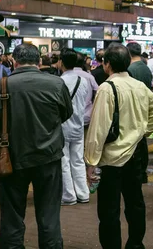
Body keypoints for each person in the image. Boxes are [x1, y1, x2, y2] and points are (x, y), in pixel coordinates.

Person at [0, 44, 73, 248]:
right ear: (39, 62)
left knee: (11, 216)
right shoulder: (56, 84)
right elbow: (66, 113)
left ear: (14, 62)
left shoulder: (1, 86)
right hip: (48, 157)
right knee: (49, 213)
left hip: (11, 158)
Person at [85, 44, 153, 249]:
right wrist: (143, 130)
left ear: (107, 64)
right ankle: (135, 244)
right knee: (135, 203)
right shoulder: (138, 85)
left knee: (109, 210)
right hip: (135, 154)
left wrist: (91, 161)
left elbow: (98, 129)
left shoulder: (107, 88)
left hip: (111, 158)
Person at [59, 49, 92, 206]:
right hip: (79, 125)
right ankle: (83, 193)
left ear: (61, 63)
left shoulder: (60, 81)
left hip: (63, 126)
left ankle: (68, 195)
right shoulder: (83, 81)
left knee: (64, 161)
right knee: (78, 160)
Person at [126, 43, 153, 184]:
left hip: (134, 108)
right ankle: (142, 171)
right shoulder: (145, 68)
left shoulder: (130, 69)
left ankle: (137, 172)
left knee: (135, 141)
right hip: (145, 107)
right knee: (142, 141)